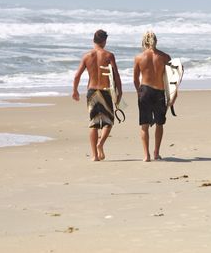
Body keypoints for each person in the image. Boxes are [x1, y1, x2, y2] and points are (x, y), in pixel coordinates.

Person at [72, 30, 122, 161]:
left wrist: (75, 90)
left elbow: (77, 75)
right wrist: (120, 91)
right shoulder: (109, 55)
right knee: (108, 122)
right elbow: (116, 74)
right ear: (104, 41)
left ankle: (94, 155)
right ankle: (101, 143)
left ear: (93, 40)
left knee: (93, 124)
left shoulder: (87, 56)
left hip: (92, 92)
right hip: (105, 91)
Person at [133, 31, 171, 162]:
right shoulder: (165, 57)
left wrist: (139, 92)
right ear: (156, 41)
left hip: (145, 92)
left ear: (144, 42)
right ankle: (156, 153)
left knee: (144, 125)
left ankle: (146, 155)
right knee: (159, 124)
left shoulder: (139, 57)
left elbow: (135, 79)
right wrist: (172, 94)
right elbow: (172, 78)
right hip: (159, 92)